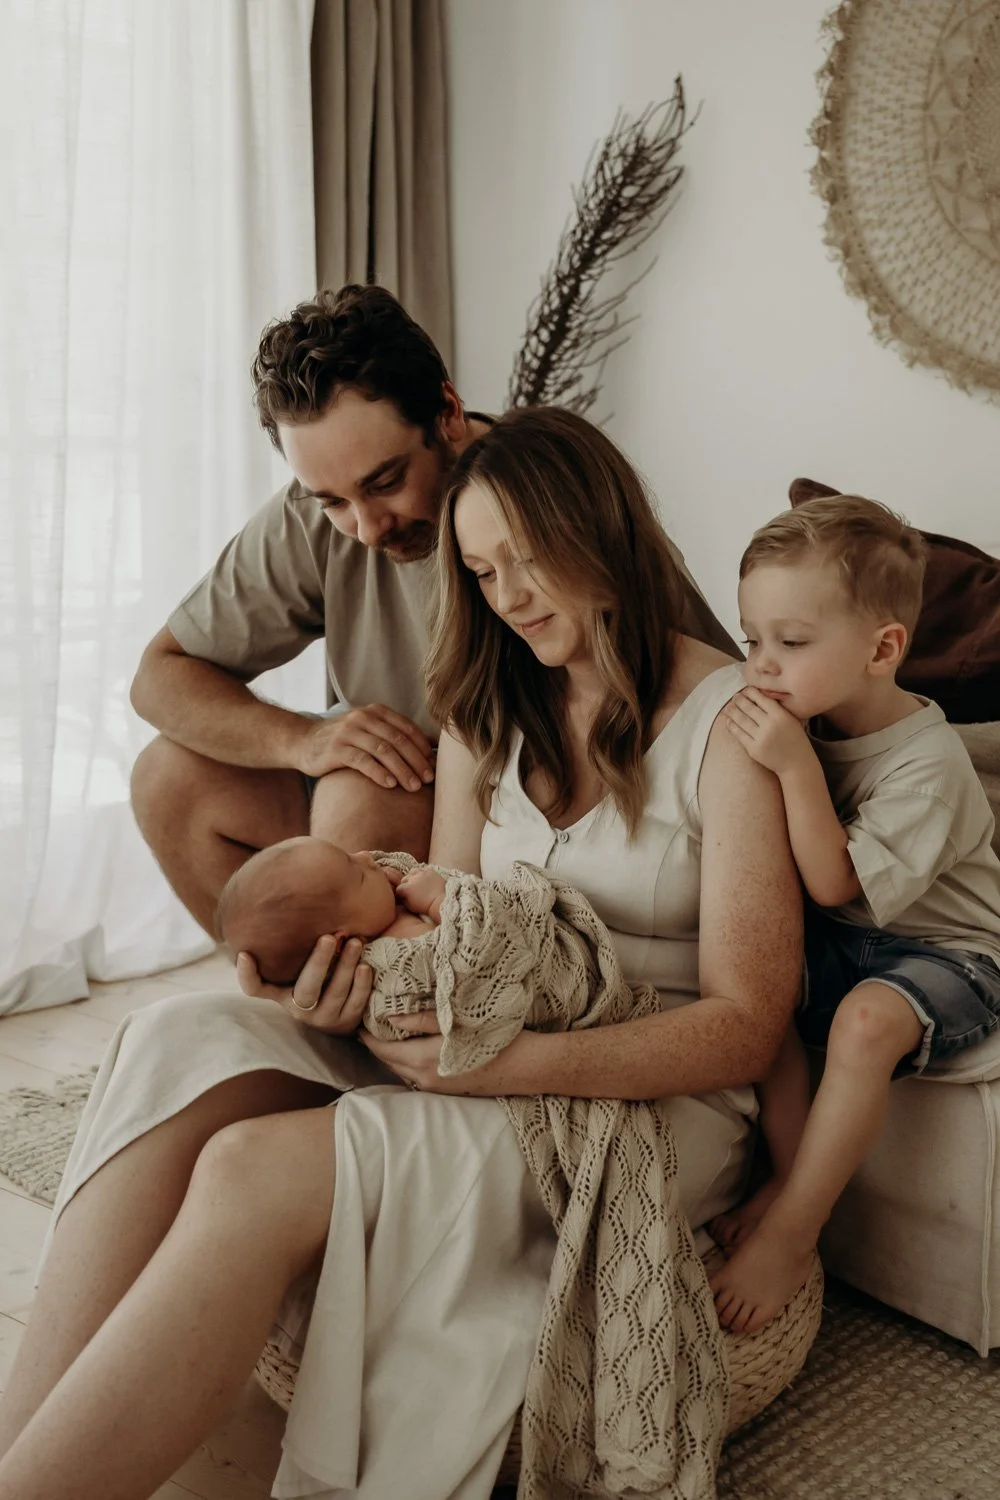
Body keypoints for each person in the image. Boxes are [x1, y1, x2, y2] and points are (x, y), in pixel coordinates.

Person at [0, 408, 801, 1500]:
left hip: (642, 1098)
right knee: (175, 1035)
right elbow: (448, 920)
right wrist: (347, 998)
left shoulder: (727, 725)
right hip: (483, 1031)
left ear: (599, 532)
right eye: (481, 572)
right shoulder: (488, 710)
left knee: (250, 1168)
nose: (509, 597)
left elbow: (748, 1024)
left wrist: (509, 1066)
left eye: (526, 559)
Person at [128, 284, 736, 934]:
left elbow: (714, 701)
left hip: (491, 820)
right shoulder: (314, 519)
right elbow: (159, 677)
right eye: (330, 500)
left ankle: (365, 1013)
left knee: (365, 788)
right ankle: (301, 999)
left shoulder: (549, 502)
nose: (364, 527)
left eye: (384, 482)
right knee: (168, 777)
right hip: (383, 797)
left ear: (447, 411)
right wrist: (301, 739)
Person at [708, 495, 1000, 1335]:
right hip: (852, 941)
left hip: (954, 953)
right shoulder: (803, 717)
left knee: (868, 1022)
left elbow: (838, 884)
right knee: (753, 977)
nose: (762, 665)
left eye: (791, 643)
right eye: (750, 638)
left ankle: (797, 1228)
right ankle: (787, 1178)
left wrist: (796, 769)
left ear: (882, 649)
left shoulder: (929, 763)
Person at [216, 838, 438, 985]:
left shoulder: (376, 918)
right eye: (360, 877)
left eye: (350, 856)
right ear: (341, 943)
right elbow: (467, 951)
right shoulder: (403, 950)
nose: (367, 857)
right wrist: (437, 901)